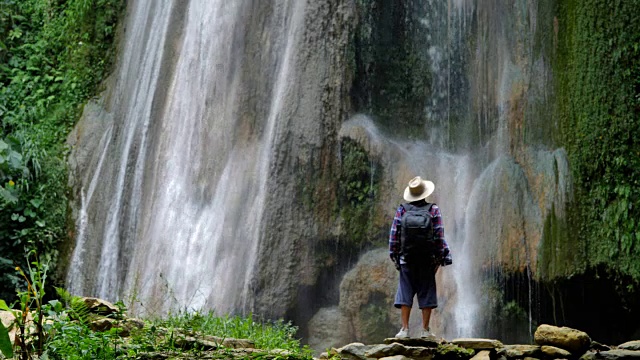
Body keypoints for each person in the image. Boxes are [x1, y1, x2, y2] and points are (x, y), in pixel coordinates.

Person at [389, 176, 452, 338]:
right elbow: (439, 236)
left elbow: (394, 235)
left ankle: (404, 330)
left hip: (406, 259)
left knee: (405, 291)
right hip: (427, 260)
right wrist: (440, 258)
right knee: (427, 292)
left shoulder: (402, 210)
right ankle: (425, 330)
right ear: (425, 194)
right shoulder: (433, 210)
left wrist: (395, 256)